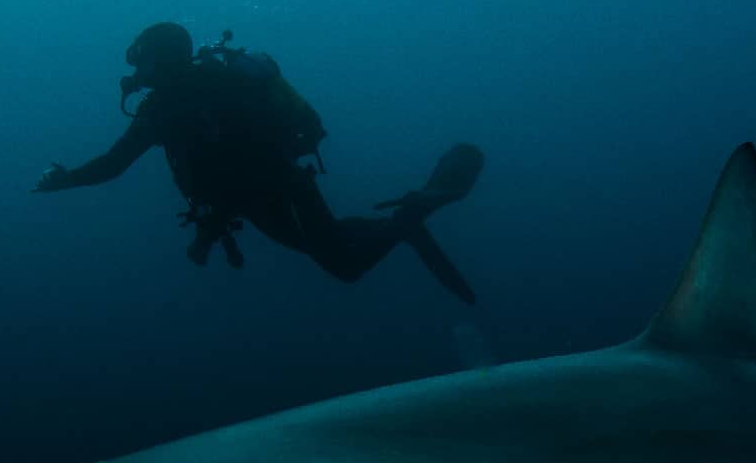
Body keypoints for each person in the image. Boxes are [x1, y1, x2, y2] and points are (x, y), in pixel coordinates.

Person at [33, 22, 485, 304]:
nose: (138, 70)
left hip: (271, 194)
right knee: (332, 245)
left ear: (160, 60)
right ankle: (405, 219)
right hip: (278, 190)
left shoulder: (164, 108)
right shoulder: (214, 82)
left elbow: (114, 165)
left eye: (144, 60)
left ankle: (408, 218)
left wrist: (63, 180)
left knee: (344, 265)